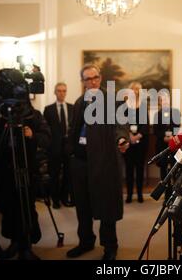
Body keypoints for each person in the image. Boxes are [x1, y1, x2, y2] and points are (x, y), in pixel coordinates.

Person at [66, 64, 129, 260]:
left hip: (104, 160)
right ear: (83, 82)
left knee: (106, 204)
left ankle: (110, 246)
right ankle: (85, 242)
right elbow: (73, 130)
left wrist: (121, 138)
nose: (92, 81)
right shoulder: (78, 102)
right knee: (82, 205)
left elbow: (121, 124)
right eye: (88, 79)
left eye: (95, 78)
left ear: (100, 78)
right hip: (81, 160)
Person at [0, 68, 51, 260]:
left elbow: (47, 139)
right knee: (8, 207)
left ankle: (26, 246)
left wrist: (32, 135)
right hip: (4, 170)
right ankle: (15, 241)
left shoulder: (33, 115)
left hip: (27, 169)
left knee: (26, 206)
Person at [44, 82, 74, 209]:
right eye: (59, 91)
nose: (62, 93)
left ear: (66, 92)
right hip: (54, 147)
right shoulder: (48, 109)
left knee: (68, 174)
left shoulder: (72, 108)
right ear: (55, 92)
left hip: (68, 146)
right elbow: (45, 129)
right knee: (54, 174)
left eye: (64, 91)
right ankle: (55, 200)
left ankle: (64, 198)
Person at [123, 82, 149, 203]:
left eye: (138, 89)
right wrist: (129, 136)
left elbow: (145, 125)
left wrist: (137, 136)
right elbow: (122, 124)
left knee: (139, 169)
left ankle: (139, 194)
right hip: (127, 143)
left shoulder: (143, 106)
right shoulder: (124, 106)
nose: (136, 91)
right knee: (128, 169)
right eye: (133, 89)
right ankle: (129, 194)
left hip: (141, 143)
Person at [152, 92, 181, 182]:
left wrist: (172, 136)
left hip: (173, 145)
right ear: (160, 102)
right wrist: (163, 137)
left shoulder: (176, 112)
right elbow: (155, 130)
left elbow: (177, 126)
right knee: (163, 169)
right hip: (161, 145)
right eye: (162, 100)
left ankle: (172, 192)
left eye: (166, 99)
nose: (164, 101)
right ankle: (165, 192)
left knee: (174, 169)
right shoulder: (157, 115)